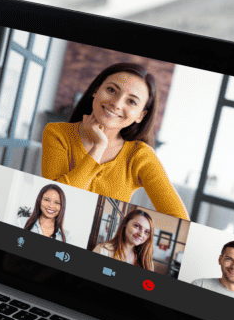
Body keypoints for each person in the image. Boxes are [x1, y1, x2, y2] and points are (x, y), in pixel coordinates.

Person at [41, 62, 189, 220]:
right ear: (96, 90)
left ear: (140, 115)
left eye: (131, 102)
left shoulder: (140, 156)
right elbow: (54, 203)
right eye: (111, 90)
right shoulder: (57, 133)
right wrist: (98, 147)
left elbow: (180, 219)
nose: (116, 103)